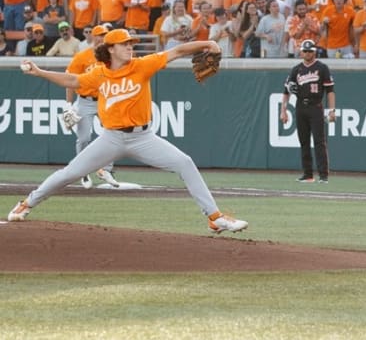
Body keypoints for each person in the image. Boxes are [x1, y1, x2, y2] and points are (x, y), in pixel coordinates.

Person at [9, 28, 248, 234]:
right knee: (69, 173)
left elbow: (177, 51)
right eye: (124, 44)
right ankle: (27, 203)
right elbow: (73, 81)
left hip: (143, 137)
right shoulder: (99, 74)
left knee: (185, 163)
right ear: (110, 48)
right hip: (111, 138)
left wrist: (208, 43)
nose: (130, 47)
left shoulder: (142, 65)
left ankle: (214, 218)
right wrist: (40, 72)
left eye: (131, 43)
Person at [63, 24, 121, 189]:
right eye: (100, 35)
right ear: (94, 37)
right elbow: (69, 79)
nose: (103, 38)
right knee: (83, 138)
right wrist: (68, 105)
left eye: (105, 35)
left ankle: (106, 170)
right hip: (85, 100)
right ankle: (83, 172)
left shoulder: (112, 57)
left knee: (114, 134)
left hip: (105, 99)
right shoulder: (82, 56)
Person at [280, 39, 336, 183]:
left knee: (319, 142)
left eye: (310, 51)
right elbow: (286, 91)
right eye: (305, 51)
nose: (307, 53)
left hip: (316, 106)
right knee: (304, 142)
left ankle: (323, 175)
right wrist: (283, 110)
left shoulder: (322, 68)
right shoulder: (296, 69)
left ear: (314, 52)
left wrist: (332, 110)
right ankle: (308, 174)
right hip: (300, 107)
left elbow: (330, 90)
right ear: (301, 52)